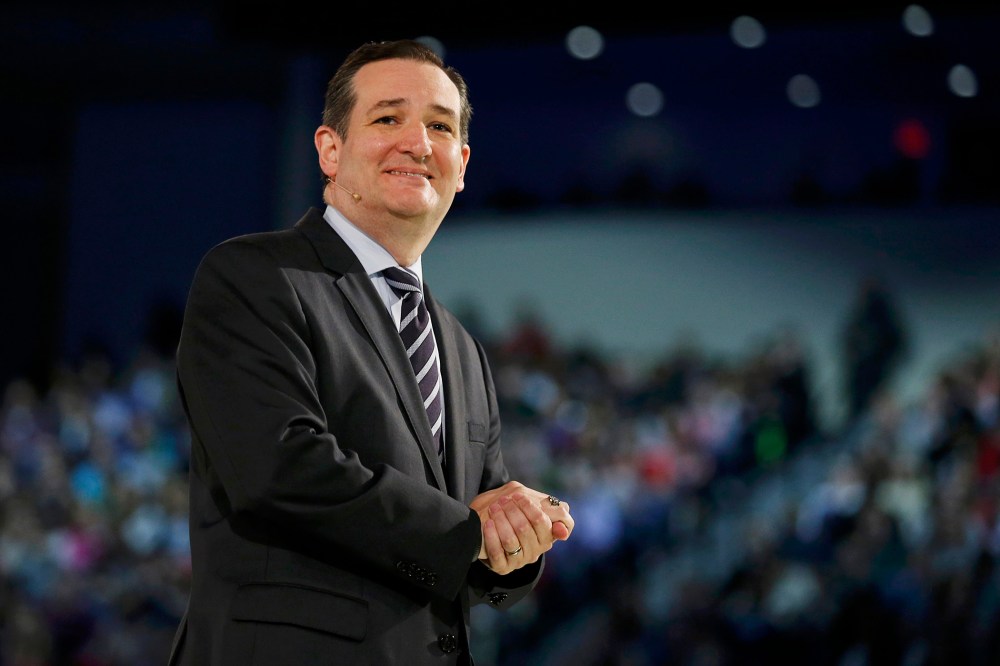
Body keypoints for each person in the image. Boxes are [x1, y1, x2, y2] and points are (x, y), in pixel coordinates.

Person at [166, 39, 574, 665]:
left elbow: (471, 533)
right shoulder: (255, 276)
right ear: (331, 150)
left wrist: (516, 537)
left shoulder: (463, 350)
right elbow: (279, 468)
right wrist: (467, 532)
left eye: (440, 127)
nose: (417, 143)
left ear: (462, 165)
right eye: (387, 118)